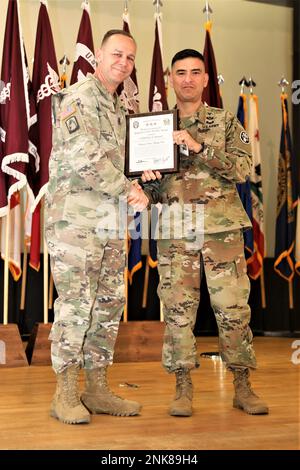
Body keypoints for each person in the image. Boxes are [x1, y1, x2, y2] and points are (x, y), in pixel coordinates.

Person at [143, 49, 269, 417]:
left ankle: (242, 384)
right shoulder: (153, 126)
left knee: (232, 308)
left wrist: (198, 147)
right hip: (174, 231)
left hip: (221, 230)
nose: (187, 79)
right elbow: (149, 185)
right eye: (180, 72)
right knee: (178, 311)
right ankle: (182, 386)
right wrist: (145, 181)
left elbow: (243, 169)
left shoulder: (225, 121)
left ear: (205, 79)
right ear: (170, 79)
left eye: (195, 72)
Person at [45, 30, 148, 425]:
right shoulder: (79, 98)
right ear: (100, 55)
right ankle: (65, 393)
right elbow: (85, 157)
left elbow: (119, 160)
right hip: (77, 222)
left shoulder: (116, 107)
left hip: (109, 221)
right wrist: (128, 189)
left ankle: (97, 388)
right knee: (75, 305)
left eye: (130, 58)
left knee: (107, 304)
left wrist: (142, 175)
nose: (123, 62)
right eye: (117, 54)